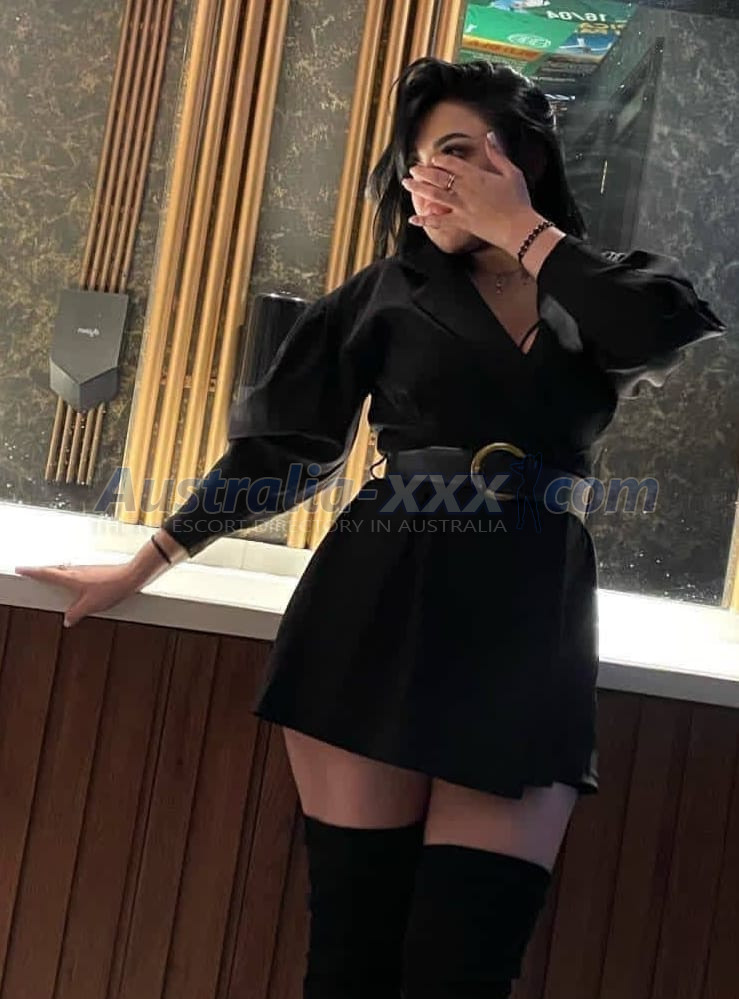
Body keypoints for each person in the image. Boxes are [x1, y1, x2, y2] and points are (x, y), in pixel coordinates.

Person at [17, 57, 726, 998]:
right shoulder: (383, 292)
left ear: (524, 163)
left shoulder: (592, 286)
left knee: (466, 965)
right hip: (374, 605)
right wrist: (139, 565)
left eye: (474, 153)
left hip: (528, 628)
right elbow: (283, 453)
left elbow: (665, 328)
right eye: (433, 158)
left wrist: (517, 230)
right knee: (351, 953)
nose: (451, 175)